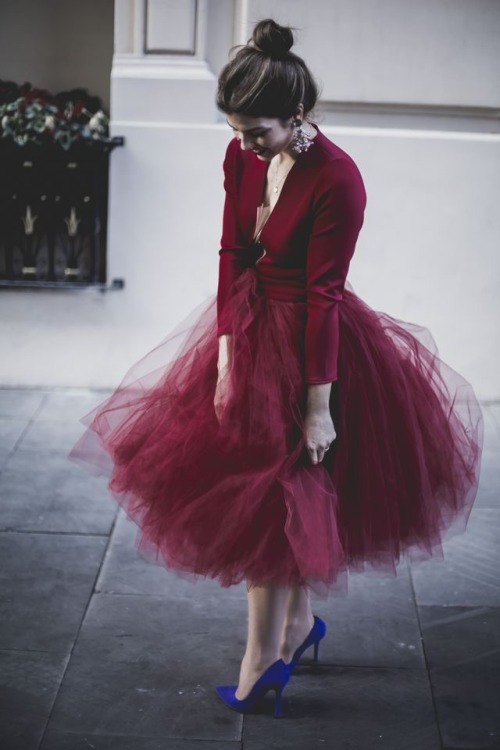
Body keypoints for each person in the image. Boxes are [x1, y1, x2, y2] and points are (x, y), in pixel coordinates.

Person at [70, 19, 483, 718]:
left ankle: (263, 659)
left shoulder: (339, 179)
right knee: (278, 488)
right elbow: (232, 252)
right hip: (251, 330)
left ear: (297, 116)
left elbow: (323, 294)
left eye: (256, 132)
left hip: (313, 344)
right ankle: (294, 627)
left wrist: (319, 407)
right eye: (235, 131)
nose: (243, 145)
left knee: (278, 495)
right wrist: (229, 356)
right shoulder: (244, 156)